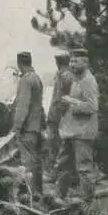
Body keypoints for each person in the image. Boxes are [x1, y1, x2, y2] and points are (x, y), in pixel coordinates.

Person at [53, 48, 100, 204]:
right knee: (62, 164)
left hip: (83, 133)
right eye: (71, 61)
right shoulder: (75, 79)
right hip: (71, 131)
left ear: (85, 63)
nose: (72, 64)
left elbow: (92, 107)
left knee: (84, 168)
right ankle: (59, 197)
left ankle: (86, 202)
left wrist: (71, 103)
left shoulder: (88, 81)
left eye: (76, 61)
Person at [10, 51, 46, 197]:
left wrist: (16, 127)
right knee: (36, 161)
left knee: (27, 162)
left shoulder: (25, 79)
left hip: (27, 128)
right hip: (36, 126)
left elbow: (23, 106)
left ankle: (29, 196)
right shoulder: (36, 78)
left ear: (19, 64)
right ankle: (38, 193)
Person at [44, 53, 74, 182]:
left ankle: (54, 174)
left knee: (56, 146)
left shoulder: (65, 76)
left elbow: (62, 99)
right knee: (56, 145)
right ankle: (59, 174)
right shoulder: (62, 75)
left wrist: (60, 114)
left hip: (58, 116)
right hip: (57, 115)